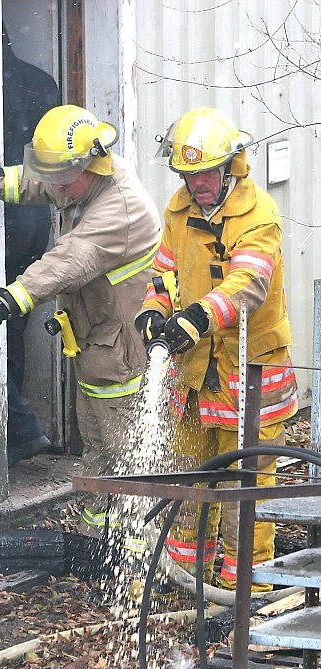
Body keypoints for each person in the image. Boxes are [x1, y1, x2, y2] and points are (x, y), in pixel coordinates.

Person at [0, 103, 161, 538]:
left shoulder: (119, 208)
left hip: (122, 350)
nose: (55, 183)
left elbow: (67, 261)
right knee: (99, 452)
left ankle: (138, 550)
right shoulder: (83, 179)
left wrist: (1, 306)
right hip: (97, 343)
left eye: (62, 175)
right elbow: (44, 185)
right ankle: (95, 541)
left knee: (126, 454)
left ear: (91, 162)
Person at [135, 106, 298, 590]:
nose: (197, 183)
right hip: (194, 378)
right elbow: (165, 271)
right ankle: (188, 586)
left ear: (230, 166)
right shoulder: (178, 211)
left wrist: (199, 317)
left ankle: (245, 594)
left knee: (244, 492)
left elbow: (249, 283)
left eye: (205, 172)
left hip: (248, 374)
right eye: (188, 174)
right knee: (188, 486)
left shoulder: (258, 215)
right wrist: (153, 308)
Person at [1, 27, 60, 467]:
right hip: (36, 213)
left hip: (9, 206)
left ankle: (16, 429)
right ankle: (17, 431)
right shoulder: (41, 81)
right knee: (15, 322)